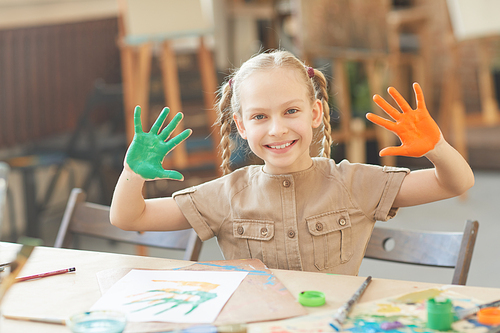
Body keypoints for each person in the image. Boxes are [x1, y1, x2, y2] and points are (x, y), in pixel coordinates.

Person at [110, 50, 474, 275]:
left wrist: (436, 146)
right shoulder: (226, 194)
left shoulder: (354, 182)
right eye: (259, 117)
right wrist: (132, 173)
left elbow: (456, 183)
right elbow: (129, 217)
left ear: (315, 112)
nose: (277, 129)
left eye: (291, 111)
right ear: (240, 125)